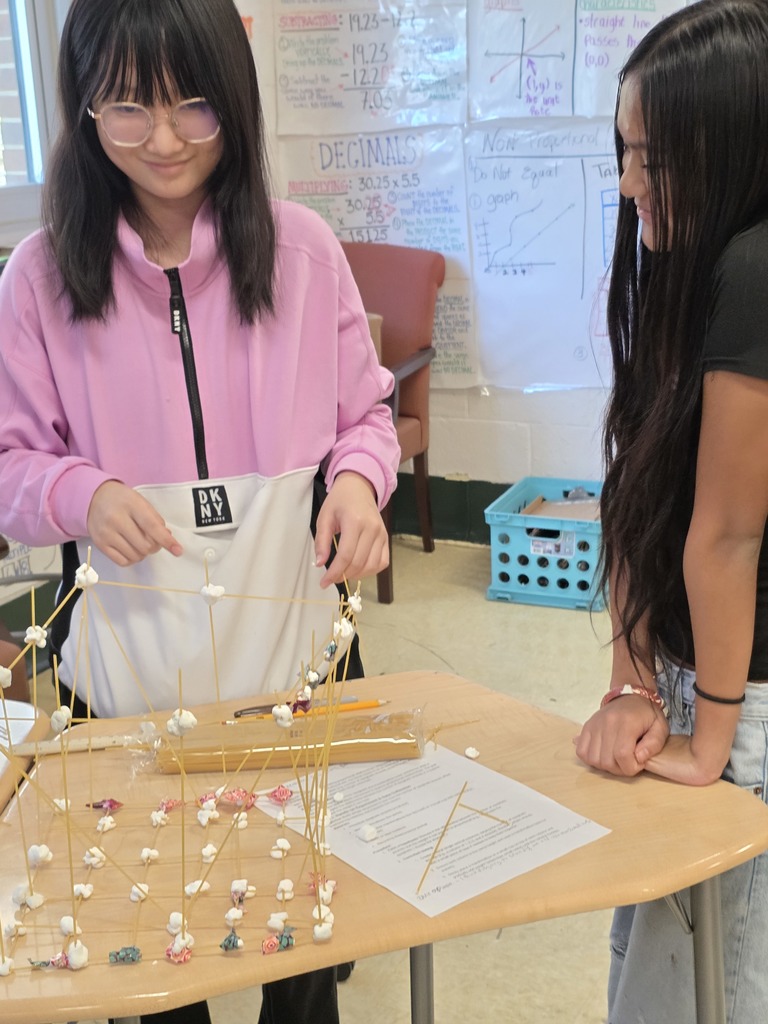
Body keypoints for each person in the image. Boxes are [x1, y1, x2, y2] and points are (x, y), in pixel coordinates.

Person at [0, 1, 399, 1022]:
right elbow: (9, 462)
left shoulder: (305, 253)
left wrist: (358, 481)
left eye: (193, 105)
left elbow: (366, 414)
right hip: (131, 674)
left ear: (236, 97)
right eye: (128, 108)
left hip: (294, 663)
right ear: (84, 104)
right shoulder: (39, 279)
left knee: (306, 926)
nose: (166, 140)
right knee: (151, 925)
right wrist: (77, 490)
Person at [573, 1, 768, 1021]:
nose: (628, 184)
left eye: (654, 157)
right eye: (625, 151)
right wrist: (630, 680)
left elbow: (727, 534)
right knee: (655, 958)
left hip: (745, 697)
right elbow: (644, 492)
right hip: (699, 672)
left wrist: (712, 742)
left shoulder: (754, 269)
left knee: (712, 982)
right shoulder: (685, 260)